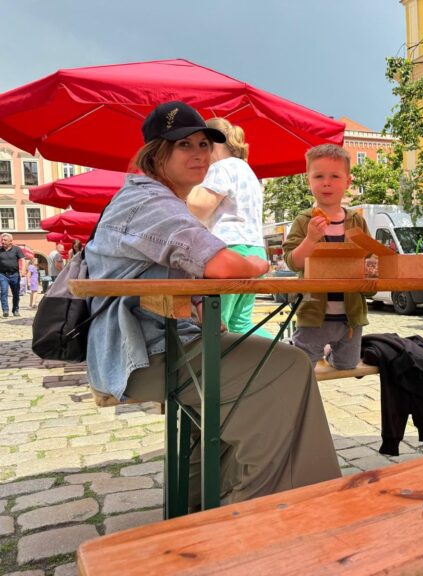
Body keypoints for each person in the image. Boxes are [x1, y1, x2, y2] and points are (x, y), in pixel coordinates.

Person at [85, 101, 340, 505]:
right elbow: (222, 263)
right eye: (184, 144)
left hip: (164, 342)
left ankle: (197, 509)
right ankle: (257, 510)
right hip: (144, 354)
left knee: (261, 381)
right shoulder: (151, 203)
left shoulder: (154, 200)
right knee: (288, 368)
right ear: (156, 153)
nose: (199, 153)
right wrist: (256, 262)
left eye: (204, 144)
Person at [283, 144, 371, 370]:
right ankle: (303, 349)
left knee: (347, 365)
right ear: (308, 181)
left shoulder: (356, 221)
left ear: (348, 182)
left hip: (350, 315)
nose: (326, 182)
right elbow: (293, 262)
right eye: (319, 176)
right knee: (302, 367)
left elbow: (369, 257)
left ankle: (330, 352)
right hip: (314, 315)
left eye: (335, 176)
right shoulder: (304, 220)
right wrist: (311, 239)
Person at [186, 118, 269, 336]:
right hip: (255, 250)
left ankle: (224, 371)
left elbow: (199, 207)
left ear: (211, 143)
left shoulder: (221, 168)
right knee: (242, 325)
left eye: (201, 145)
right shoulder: (247, 171)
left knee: (216, 325)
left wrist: (184, 189)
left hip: (229, 252)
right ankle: (285, 356)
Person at [0, 233, 24, 317]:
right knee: (3, 291)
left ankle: (15, 310)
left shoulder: (17, 249)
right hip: (2, 275)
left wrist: (22, 270)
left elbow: (22, 260)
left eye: (5, 240)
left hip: (15, 275)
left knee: (16, 293)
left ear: (10, 241)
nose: (2, 241)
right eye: (2, 240)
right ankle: (5, 310)